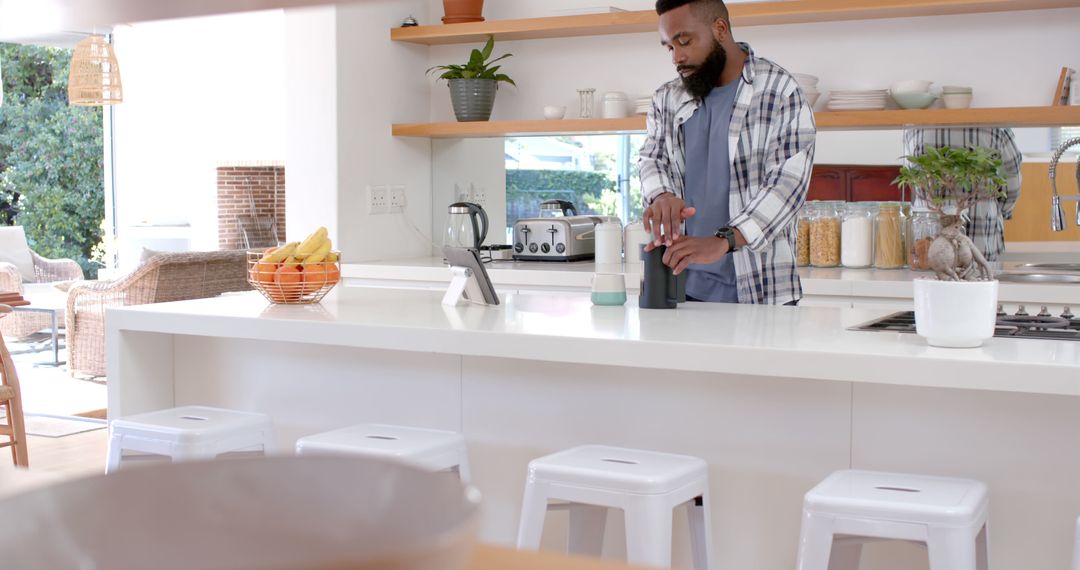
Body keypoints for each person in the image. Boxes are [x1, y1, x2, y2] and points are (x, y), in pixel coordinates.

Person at [638, 0, 816, 305]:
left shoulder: (779, 89)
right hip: (682, 291)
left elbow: (787, 185)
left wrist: (724, 241)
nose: (677, 57)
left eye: (685, 41)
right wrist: (661, 196)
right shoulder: (666, 98)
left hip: (762, 291)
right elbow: (653, 158)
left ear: (720, 29)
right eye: (669, 47)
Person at [901, 127, 1022, 262]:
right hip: (981, 244)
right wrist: (1000, 210)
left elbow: (912, 180)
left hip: (928, 249)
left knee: (927, 279)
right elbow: (1011, 186)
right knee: (982, 278)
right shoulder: (997, 128)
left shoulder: (914, 128)